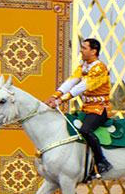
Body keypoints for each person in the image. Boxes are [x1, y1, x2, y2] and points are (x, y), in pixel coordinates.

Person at [47, 38, 113, 177]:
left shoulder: (99, 68)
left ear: (93, 51)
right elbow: (71, 81)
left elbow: (83, 86)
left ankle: (102, 162)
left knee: (85, 130)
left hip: (99, 108)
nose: (81, 50)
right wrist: (55, 96)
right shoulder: (84, 66)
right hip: (87, 108)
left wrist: (62, 100)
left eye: (84, 48)